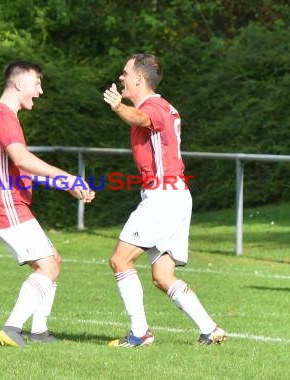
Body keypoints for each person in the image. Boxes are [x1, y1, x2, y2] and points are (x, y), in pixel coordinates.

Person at [102, 54, 227, 347]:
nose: (121, 78)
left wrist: (118, 106)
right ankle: (209, 329)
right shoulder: (163, 106)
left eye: (124, 73)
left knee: (120, 260)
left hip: (163, 197)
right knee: (162, 275)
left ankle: (140, 333)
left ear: (138, 79)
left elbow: (141, 118)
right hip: (177, 196)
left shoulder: (153, 106)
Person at [0, 60, 95, 347]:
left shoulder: (4, 116)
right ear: (18, 84)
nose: (40, 91)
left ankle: (39, 331)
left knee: (53, 260)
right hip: (5, 204)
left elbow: (21, 169)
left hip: (9, 203)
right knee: (47, 267)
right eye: (36, 83)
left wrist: (65, 184)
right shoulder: (3, 116)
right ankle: (12, 328)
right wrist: (69, 177)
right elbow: (23, 160)